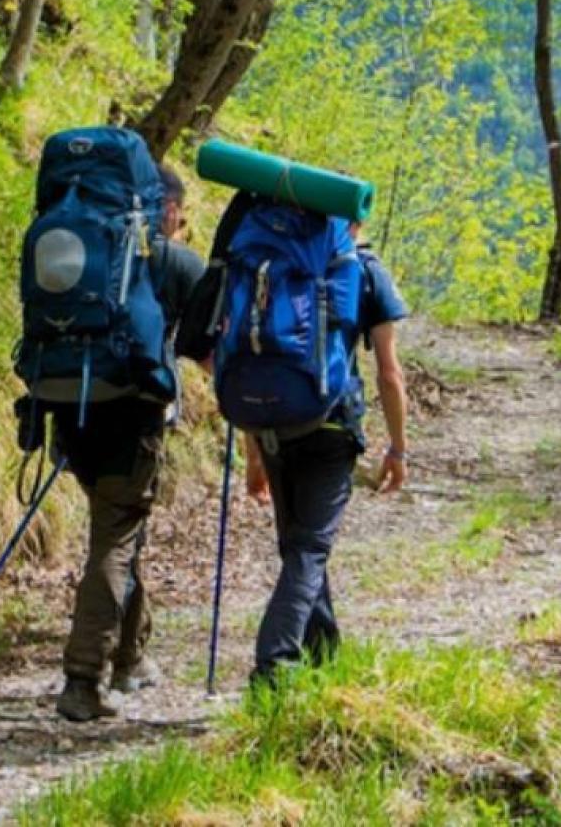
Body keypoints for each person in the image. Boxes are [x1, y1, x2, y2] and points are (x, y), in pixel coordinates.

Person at [50, 166, 205, 722]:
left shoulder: (78, 250)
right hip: (131, 420)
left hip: (69, 412)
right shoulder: (174, 262)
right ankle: (82, 678)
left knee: (118, 528)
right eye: (181, 217)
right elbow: (214, 347)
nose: (181, 227)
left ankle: (132, 658)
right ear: (167, 209)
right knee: (114, 541)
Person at [244, 223, 408, 685]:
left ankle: (325, 658)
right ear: (355, 221)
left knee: (300, 547)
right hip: (331, 427)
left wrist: (253, 450)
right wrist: (397, 447)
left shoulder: (271, 261)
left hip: (273, 424)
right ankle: (273, 664)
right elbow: (389, 373)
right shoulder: (365, 270)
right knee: (309, 549)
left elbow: (246, 353)